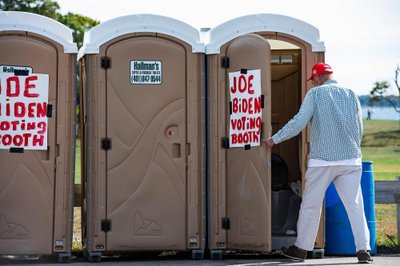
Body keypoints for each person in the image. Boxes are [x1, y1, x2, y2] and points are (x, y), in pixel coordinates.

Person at [265, 63, 373, 264]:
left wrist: (274, 139)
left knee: (311, 206)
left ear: (317, 78)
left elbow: (299, 122)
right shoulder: (351, 93)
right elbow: (359, 127)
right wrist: (353, 150)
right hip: (351, 159)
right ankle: (363, 250)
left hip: (322, 160)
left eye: (313, 80)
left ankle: (301, 249)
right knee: (355, 205)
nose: (312, 83)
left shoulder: (315, 94)